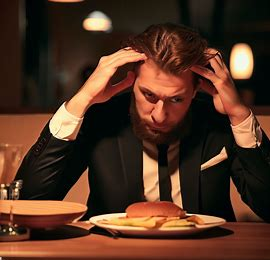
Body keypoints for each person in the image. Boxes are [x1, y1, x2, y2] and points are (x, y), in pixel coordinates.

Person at [17, 23, 270, 222]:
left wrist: (239, 114)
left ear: (196, 91)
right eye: (149, 95)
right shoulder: (102, 119)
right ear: (132, 80)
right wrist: (81, 100)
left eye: (176, 99)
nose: (159, 115)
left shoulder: (219, 121)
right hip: (113, 258)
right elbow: (28, 202)